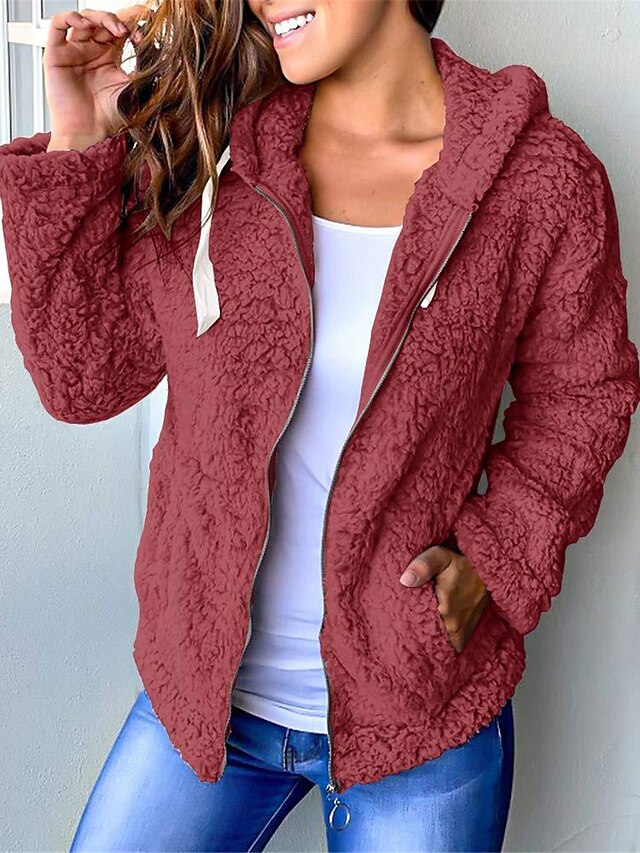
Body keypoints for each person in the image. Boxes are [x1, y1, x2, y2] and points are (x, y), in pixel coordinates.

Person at [0, 1, 638, 850]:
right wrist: (79, 141)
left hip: (416, 713)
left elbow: (583, 394)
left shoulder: (538, 179)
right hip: (205, 700)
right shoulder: (221, 150)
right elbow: (85, 378)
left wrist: (497, 559)